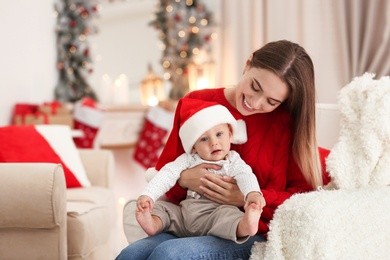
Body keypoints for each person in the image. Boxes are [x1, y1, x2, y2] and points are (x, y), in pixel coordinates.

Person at [116, 40, 327, 260]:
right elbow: (166, 177)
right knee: (132, 254)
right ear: (247, 63)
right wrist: (185, 180)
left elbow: (302, 198)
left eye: (271, 102)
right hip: (193, 217)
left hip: (245, 230)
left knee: (169, 254)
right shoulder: (196, 102)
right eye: (255, 86)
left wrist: (244, 197)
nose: (255, 103)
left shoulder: (286, 123)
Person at [136, 98, 265, 243]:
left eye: (219, 134)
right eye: (204, 139)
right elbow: (167, 174)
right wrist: (148, 195)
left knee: (229, 216)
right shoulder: (188, 159)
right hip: (184, 214)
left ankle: (246, 225)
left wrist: (253, 194)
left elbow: (246, 175)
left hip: (214, 215)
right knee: (164, 209)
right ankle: (153, 223)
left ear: (230, 134)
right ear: (193, 146)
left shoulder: (232, 160)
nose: (213, 142)